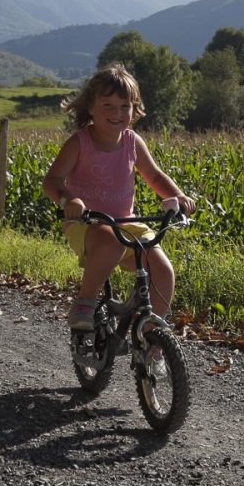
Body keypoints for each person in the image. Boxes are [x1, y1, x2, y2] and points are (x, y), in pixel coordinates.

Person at [41, 64, 194, 332]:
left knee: (163, 270)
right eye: (108, 105)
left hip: (126, 222)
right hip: (86, 225)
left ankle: (153, 339)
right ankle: (85, 301)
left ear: (134, 110)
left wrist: (177, 195)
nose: (117, 113)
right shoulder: (80, 142)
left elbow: (155, 177)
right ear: (91, 107)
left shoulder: (133, 142)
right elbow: (52, 181)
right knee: (110, 244)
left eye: (125, 106)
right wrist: (69, 201)